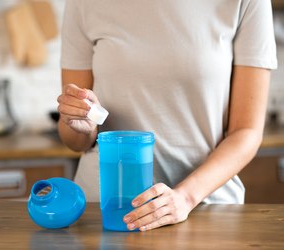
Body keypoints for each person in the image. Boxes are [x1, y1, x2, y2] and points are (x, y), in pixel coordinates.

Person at [56, 0, 277, 232]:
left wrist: (185, 197)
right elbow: (75, 140)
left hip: (206, 208)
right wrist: (82, 123)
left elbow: (247, 131)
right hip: (110, 212)